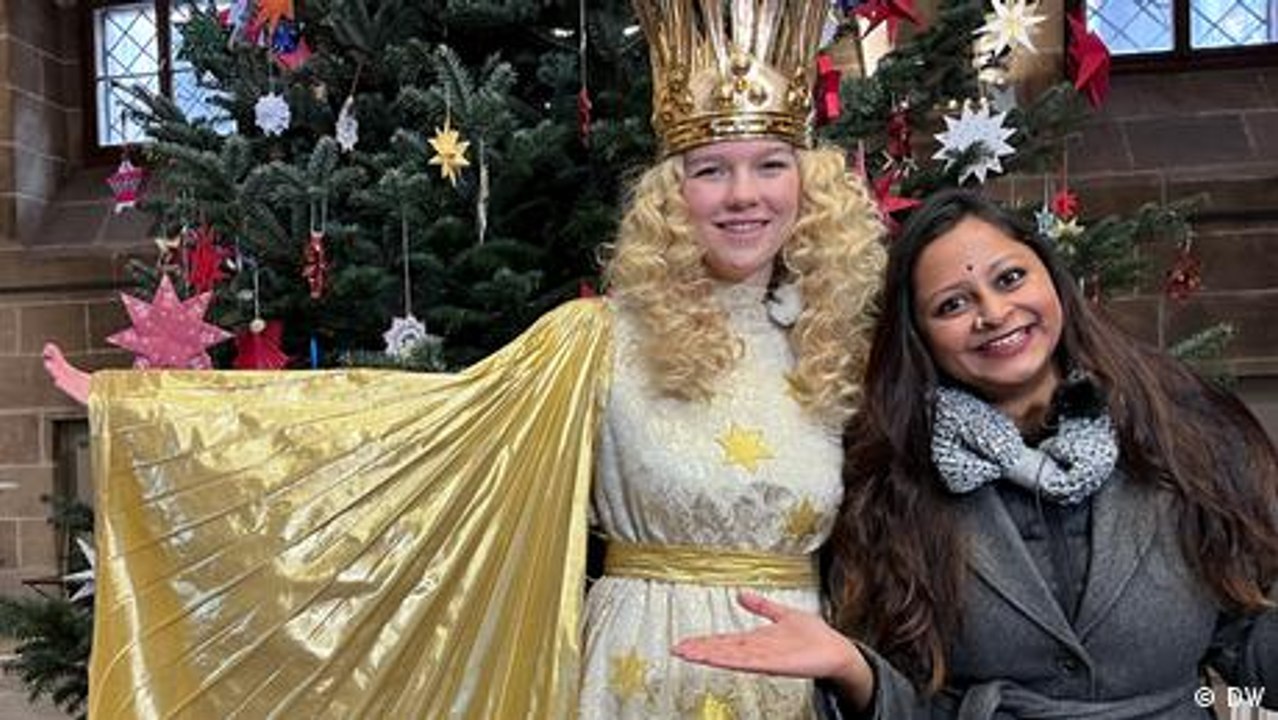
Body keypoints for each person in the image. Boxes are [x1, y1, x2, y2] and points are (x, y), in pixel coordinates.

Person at [43, 0, 886, 716]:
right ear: (674, 194)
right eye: (711, 169)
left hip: (796, 679)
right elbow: (406, 435)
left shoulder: (838, 344)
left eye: (769, 165)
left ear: (808, 181)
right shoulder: (592, 342)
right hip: (634, 676)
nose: (744, 195)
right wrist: (150, 412)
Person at [671, 188, 1278, 718]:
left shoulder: (1180, 432)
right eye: (953, 305)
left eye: (1010, 278)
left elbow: (1242, 643)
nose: (993, 313)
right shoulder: (893, 489)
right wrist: (855, 672)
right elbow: (920, 706)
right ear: (923, 337)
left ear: (1051, 278)